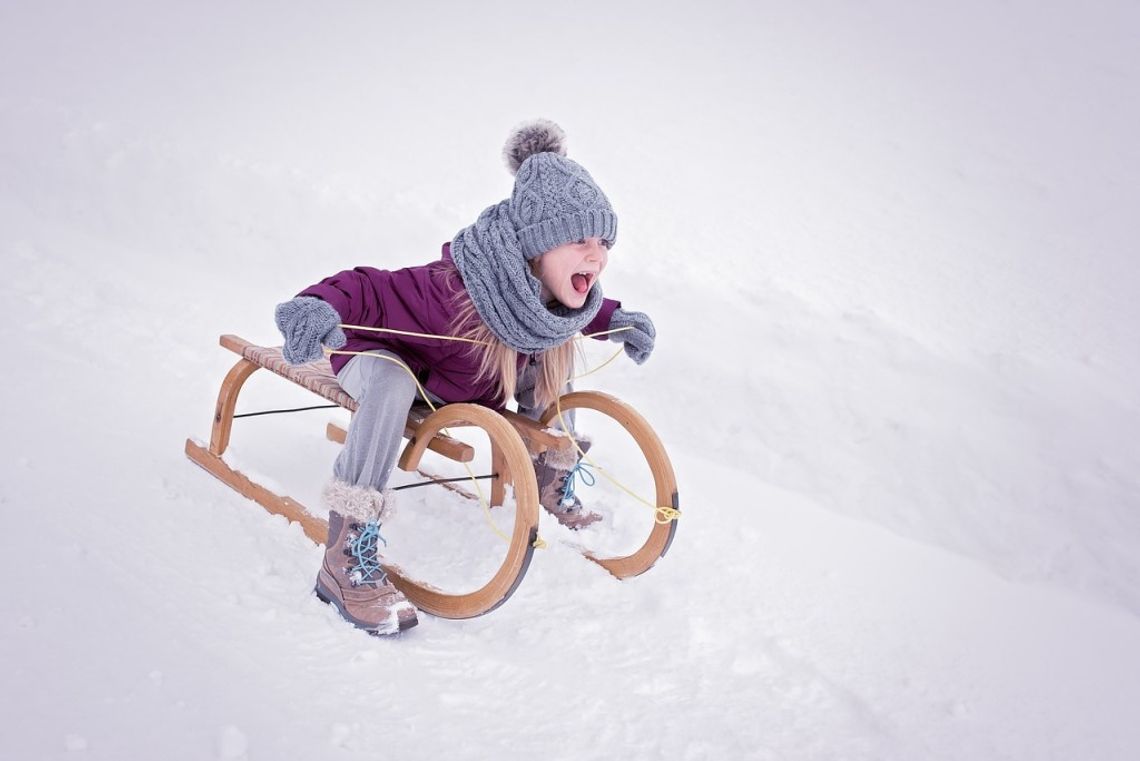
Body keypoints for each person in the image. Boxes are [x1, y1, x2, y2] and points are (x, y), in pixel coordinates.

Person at [274, 119, 656, 635]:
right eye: (581, 239)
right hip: (380, 359)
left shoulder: (538, 297)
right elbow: (369, 288)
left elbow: (578, 310)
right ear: (537, 247)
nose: (598, 255)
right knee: (391, 382)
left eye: (604, 241)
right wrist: (316, 306)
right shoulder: (451, 293)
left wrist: (618, 320)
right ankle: (345, 556)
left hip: (463, 379)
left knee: (551, 349)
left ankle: (546, 475)